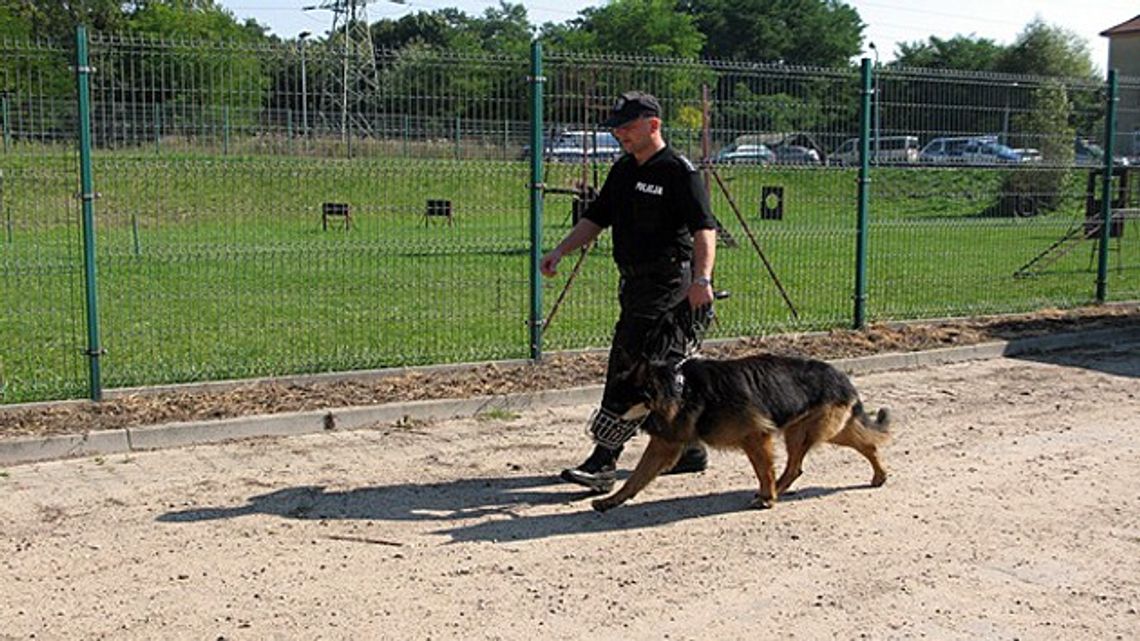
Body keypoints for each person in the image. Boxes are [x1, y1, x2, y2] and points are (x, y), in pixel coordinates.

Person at [540, 90, 718, 492]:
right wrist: (560, 251)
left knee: (630, 369)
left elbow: (704, 229)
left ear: (653, 125)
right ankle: (688, 450)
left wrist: (701, 280)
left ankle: (604, 461)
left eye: (627, 126)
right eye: (617, 127)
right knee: (663, 370)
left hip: (670, 285)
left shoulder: (678, 171)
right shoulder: (624, 170)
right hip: (635, 284)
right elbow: (596, 218)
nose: (619, 133)